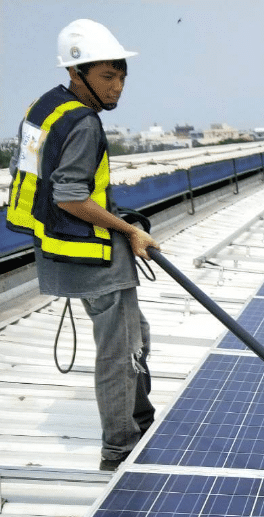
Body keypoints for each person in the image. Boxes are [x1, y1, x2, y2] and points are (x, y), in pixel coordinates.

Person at [7, 19, 160, 471]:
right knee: (121, 352)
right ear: (78, 75)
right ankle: (121, 449)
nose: (117, 89)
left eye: (122, 77)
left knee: (138, 335)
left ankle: (141, 417)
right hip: (90, 255)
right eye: (107, 78)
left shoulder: (45, 106)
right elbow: (70, 195)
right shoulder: (84, 123)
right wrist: (129, 230)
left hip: (56, 250)